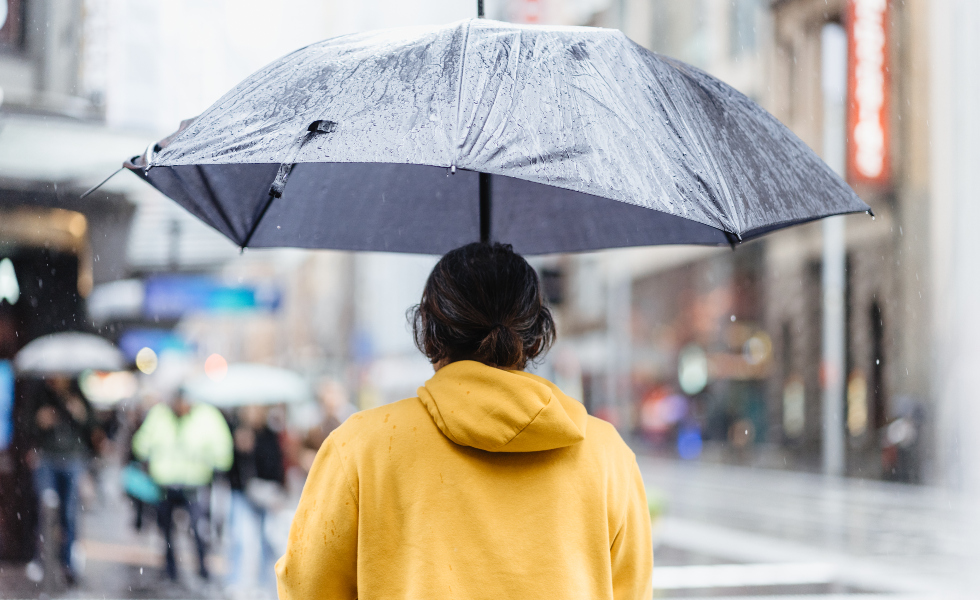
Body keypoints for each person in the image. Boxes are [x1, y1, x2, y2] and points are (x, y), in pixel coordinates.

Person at [276, 243, 653, 600]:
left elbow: (306, 587)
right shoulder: (608, 455)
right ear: (537, 337)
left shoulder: (360, 447)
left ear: (430, 333)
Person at [132, 392, 233, 582]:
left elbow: (222, 447)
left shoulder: (206, 416)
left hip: (194, 483)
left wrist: (216, 466)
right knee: (166, 529)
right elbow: (141, 443)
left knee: (198, 528)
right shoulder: (159, 416)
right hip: (165, 484)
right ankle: (171, 569)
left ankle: (202, 569)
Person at [27, 375, 100, 586]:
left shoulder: (78, 395)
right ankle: (42, 560)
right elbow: (25, 424)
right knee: (46, 507)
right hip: (47, 457)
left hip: (73, 458)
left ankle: (68, 562)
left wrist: (81, 414)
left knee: (69, 512)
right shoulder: (40, 394)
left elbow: (93, 428)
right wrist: (38, 421)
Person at [225, 405, 286, 594]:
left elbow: (275, 463)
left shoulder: (270, 435)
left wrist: (278, 490)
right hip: (243, 492)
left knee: (266, 540)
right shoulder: (236, 433)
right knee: (241, 538)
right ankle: (235, 581)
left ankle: (264, 582)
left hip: (266, 493)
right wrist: (241, 450)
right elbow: (230, 468)